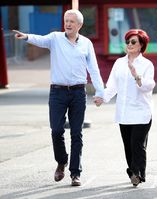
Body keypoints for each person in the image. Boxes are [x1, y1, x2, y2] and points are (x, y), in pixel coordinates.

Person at [13, 9, 104, 186]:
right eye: (66, 20)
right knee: (56, 130)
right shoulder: (55, 38)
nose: (68, 24)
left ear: (79, 25)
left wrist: (100, 93)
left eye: (71, 21)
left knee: (77, 133)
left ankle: (75, 173)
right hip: (57, 92)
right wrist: (26, 37)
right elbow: (40, 39)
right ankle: (62, 161)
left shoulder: (86, 44)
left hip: (78, 92)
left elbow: (94, 69)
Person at [103, 29, 155, 187]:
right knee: (128, 146)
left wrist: (136, 75)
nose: (129, 45)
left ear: (141, 46)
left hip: (141, 113)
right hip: (124, 113)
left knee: (137, 144)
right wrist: (102, 98)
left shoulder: (147, 64)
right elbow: (112, 85)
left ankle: (137, 173)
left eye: (133, 42)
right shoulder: (119, 63)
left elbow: (148, 86)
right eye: (127, 42)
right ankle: (134, 173)